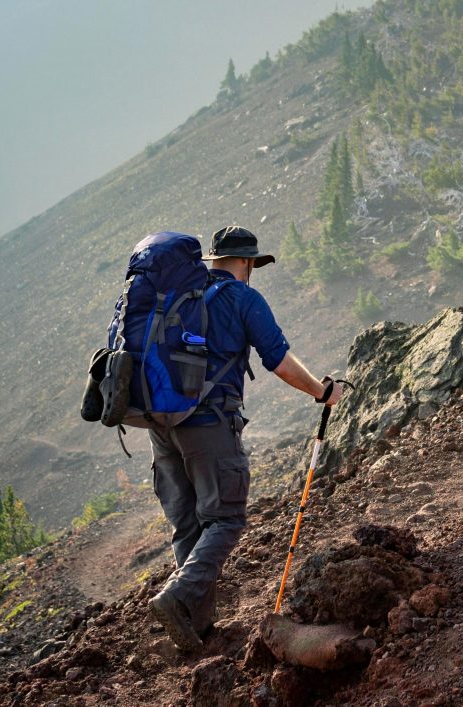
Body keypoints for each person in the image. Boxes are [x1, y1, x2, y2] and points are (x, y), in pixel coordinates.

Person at [147, 226, 344, 651]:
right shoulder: (243, 298)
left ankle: (195, 629)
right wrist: (322, 391)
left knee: (189, 524)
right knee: (226, 519)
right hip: (209, 423)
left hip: (160, 425)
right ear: (249, 263)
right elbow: (279, 360)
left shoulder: (177, 297)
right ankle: (177, 598)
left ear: (213, 259)